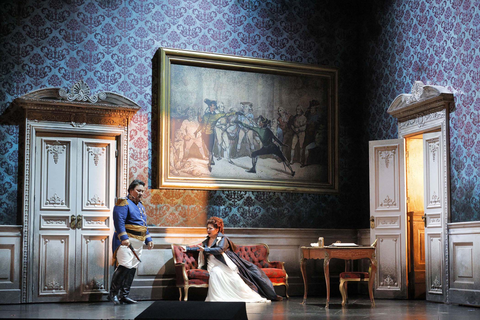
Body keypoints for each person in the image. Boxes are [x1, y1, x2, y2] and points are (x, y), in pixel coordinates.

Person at [182, 217, 282, 302]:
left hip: (223, 263)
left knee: (222, 273)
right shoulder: (207, 239)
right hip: (211, 264)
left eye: (210, 228)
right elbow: (200, 247)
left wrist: (207, 249)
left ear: (217, 229)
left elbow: (220, 249)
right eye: (207, 228)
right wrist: (187, 248)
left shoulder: (223, 239)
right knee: (215, 271)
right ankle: (219, 297)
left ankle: (232, 297)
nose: (208, 230)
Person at [109, 179, 154, 305]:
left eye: (142, 191)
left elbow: (144, 225)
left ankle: (124, 295)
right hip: (126, 241)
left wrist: (148, 238)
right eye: (138, 190)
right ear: (130, 190)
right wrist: (124, 238)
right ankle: (113, 294)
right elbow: (119, 222)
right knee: (124, 266)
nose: (140, 193)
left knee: (132, 267)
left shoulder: (141, 206)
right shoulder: (123, 203)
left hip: (138, 242)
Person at [194, 99, 236, 172]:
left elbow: (226, 114)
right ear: (210, 106)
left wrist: (235, 112)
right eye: (213, 106)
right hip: (203, 134)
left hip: (211, 134)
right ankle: (211, 159)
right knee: (206, 149)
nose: (214, 107)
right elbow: (201, 123)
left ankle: (209, 165)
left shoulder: (217, 115)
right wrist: (196, 131)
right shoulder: (206, 115)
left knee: (210, 150)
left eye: (215, 106)